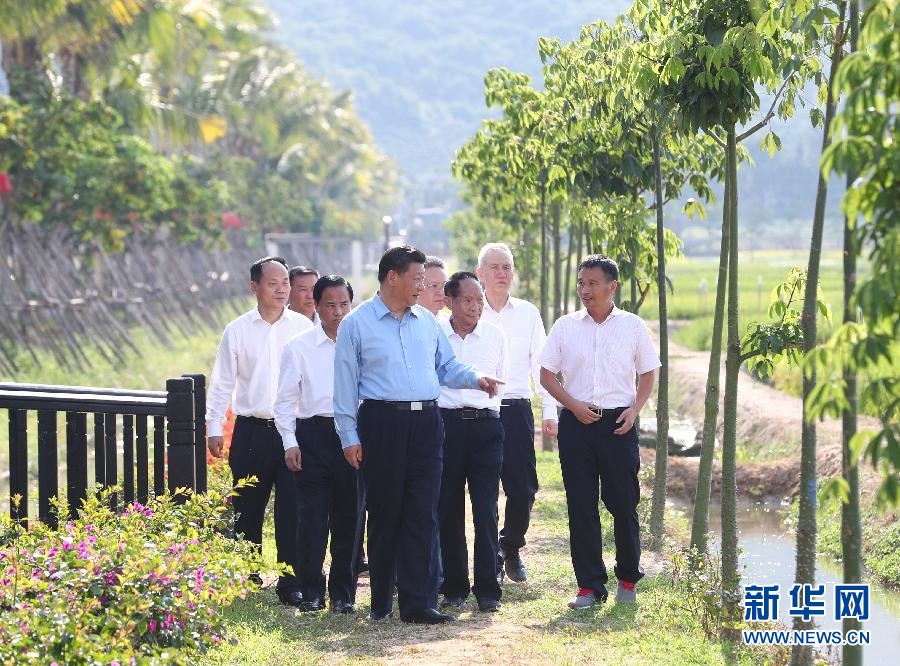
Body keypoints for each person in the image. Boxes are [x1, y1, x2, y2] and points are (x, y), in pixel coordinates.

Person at [334, 245, 503, 625]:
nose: (423, 287)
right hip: (382, 422)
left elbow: (447, 366)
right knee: (385, 512)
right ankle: (381, 602)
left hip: (427, 422)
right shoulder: (357, 324)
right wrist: (348, 436)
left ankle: (420, 602)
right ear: (392, 277)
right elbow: (343, 385)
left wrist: (476, 377)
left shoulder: (427, 322)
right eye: (417, 279)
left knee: (424, 513)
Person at [538, 254, 660, 608]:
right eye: (581, 283)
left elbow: (648, 372)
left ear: (612, 286)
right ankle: (590, 586)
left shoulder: (633, 326)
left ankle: (628, 579)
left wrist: (634, 410)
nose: (585, 289)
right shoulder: (565, 326)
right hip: (576, 424)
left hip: (618, 424)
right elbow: (546, 374)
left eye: (592, 283)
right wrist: (573, 405)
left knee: (624, 503)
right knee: (581, 506)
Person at [205, 256, 313, 607]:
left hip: (293, 431)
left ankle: (290, 581)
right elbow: (222, 382)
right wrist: (214, 426)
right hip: (252, 431)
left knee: (292, 509)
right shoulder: (237, 330)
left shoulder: (302, 328)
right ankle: (247, 575)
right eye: (273, 283)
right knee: (247, 507)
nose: (281, 290)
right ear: (255, 287)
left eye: (285, 283)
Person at [274, 275, 359, 614]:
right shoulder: (299, 347)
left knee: (349, 517)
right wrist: (289, 442)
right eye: (330, 305)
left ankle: (343, 593)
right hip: (312, 435)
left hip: (352, 435)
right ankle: (311, 591)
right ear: (316, 306)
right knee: (311, 519)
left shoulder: (362, 344)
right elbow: (284, 402)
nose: (338, 312)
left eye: (344, 304)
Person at [475, 242, 557, 583]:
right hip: (478, 410)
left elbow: (542, 364)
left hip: (516, 408)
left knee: (523, 488)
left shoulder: (527, 313)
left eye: (506, 267)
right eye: (494, 267)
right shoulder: (468, 310)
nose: (501, 273)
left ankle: (510, 545)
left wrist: (550, 409)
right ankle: (489, 557)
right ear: (480, 273)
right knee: (484, 490)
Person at [437, 272, 508, 613]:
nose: (475, 306)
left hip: (485, 428)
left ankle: (488, 588)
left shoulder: (495, 336)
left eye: (479, 300)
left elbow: (504, 383)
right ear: (449, 301)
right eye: (467, 300)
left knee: (486, 509)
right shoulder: (436, 334)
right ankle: (454, 587)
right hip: (446, 427)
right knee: (448, 508)